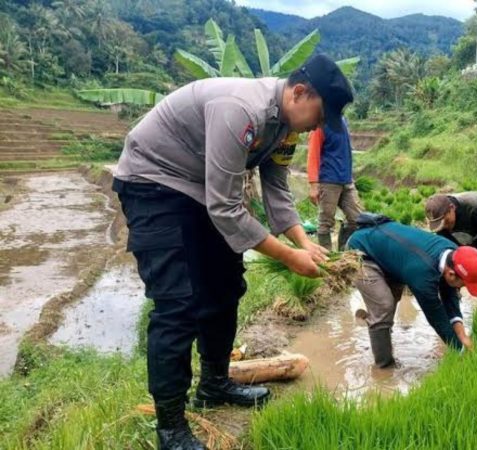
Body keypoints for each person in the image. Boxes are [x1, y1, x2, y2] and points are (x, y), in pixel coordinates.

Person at [112, 54, 353, 449]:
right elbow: (225, 207)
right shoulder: (240, 109)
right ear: (299, 93)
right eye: (320, 115)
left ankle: (214, 384)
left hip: (201, 189)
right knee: (178, 304)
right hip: (153, 182)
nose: (318, 127)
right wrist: (289, 257)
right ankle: (170, 428)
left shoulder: (286, 127)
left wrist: (305, 242)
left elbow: (275, 189)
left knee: (225, 286)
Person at [347, 216, 477, 368]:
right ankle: (385, 367)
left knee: (391, 300)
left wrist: (462, 336)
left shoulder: (453, 253)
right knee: (383, 306)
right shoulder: (422, 276)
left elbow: (449, 294)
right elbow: (436, 316)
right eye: (464, 284)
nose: (463, 288)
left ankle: (380, 334)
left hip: (391, 254)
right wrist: (460, 350)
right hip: (361, 252)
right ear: (451, 274)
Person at [425, 192, 477, 309]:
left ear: (452, 209)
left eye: (445, 221)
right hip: (468, 236)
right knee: (453, 276)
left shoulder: (475, 207)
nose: (443, 226)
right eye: (439, 224)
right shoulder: (441, 222)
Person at [307, 115, 362, 250]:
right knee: (326, 222)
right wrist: (313, 184)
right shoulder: (320, 122)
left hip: (347, 180)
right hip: (328, 180)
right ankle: (327, 259)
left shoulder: (343, 120)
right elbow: (313, 153)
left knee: (357, 219)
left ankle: (343, 250)